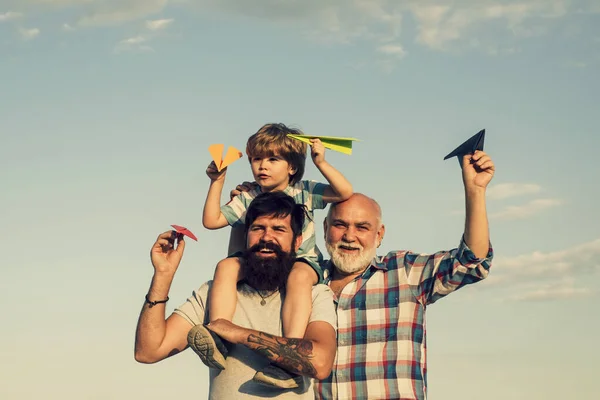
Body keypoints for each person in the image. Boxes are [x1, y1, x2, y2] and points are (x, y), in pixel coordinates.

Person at [231, 149, 496, 399]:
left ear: (379, 235)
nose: (349, 236)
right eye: (340, 225)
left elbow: (471, 263)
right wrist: (249, 205)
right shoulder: (301, 281)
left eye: (362, 227)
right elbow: (246, 265)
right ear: (324, 229)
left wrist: (475, 190)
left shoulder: (404, 272)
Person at [134, 191, 338, 399]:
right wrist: (163, 275)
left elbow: (320, 363)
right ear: (246, 235)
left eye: (278, 229)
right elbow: (148, 351)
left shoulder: (314, 295)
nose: (266, 237)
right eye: (258, 228)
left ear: (297, 242)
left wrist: (238, 334)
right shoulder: (216, 293)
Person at [201, 123, 352, 386]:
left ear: (291, 167)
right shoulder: (249, 195)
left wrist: (321, 162)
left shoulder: (304, 190)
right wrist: (218, 181)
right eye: (257, 159)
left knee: (299, 276)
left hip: (300, 262)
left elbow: (344, 192)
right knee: (225, 266)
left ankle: (289, 363)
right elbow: (211, 220)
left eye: (273, 159)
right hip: (260, 261)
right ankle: (218, 335)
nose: (262, 166)